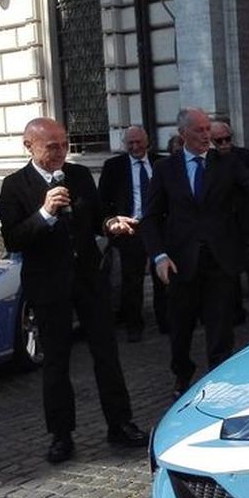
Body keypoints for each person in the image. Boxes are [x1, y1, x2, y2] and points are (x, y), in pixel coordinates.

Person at [0, 117, 148, 463]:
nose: (60, 152)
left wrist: (112, 223)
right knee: (56, 362)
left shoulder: (78, 176)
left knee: (107, 354)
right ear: (29, 146)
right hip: (48, 286)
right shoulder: (14, 186)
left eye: (64, 144)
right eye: (52, 146)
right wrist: (45, 213)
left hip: (88, 279)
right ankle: (61, 435)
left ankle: (120, 423)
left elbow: (97, 218)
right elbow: (13, 238)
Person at [141, 108, 249, 398]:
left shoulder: (227, 162)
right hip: (180, 263)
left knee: (220, 327)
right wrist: (159, 256)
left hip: (220, 260)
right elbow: (151, 218)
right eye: (199, 130)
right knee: (180, 328)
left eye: (208, 129)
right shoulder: (165, 169)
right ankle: (182, 376)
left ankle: (218, 381)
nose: (207, 135)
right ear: (183, 135)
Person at [99, 125, 168, 342]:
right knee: (132, 281)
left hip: (159, 227)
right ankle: (134, 326)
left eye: (139, 142)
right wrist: (114, 222)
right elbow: (102, 201)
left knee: (163, 278)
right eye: (131, 143)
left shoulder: (161, 163)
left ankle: (165, 322)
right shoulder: (114, 167)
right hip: (131, 229)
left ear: (147, 141)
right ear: (124, 145)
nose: (136, 146)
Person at [211, 121, 249, 329]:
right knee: (229, 271)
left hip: (248, 221)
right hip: (225, 225)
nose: (224, 144)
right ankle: (235, 312)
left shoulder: (245, 156)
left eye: (227, 139)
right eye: (218, 141)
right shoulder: (210, 161)